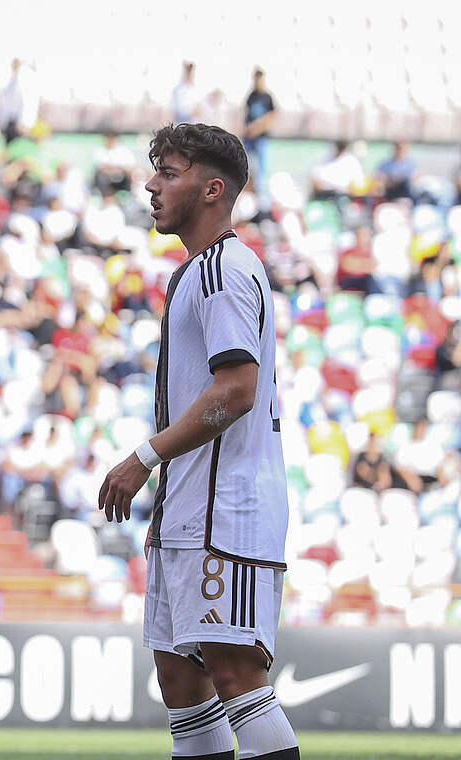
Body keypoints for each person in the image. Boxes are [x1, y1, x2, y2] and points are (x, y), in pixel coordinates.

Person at [98, 122, 298, 760]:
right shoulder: (195, 273)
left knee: (236, 675)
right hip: (189, 507)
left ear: (214, 190)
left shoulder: (225, 269)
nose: (151, 185)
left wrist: (144, 457)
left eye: (170, 173)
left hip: (227, 509)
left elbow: (236, 389)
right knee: (181, 681)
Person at [243, 69, 276, 197]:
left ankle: (263, 198)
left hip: (261, 138)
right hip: (250, 138)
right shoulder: (252, 96)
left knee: (262, 171)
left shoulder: (267, 97)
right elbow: (245, 114)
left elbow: (272, 116)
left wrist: (258, 127)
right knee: (249, 167)